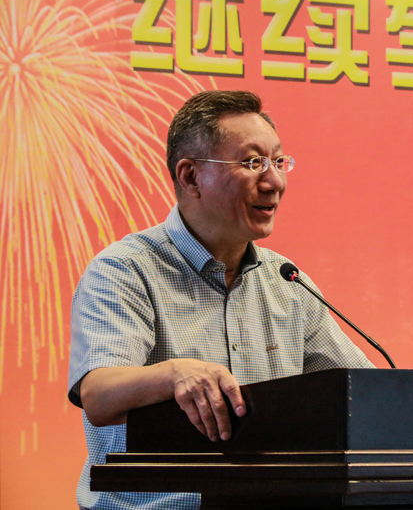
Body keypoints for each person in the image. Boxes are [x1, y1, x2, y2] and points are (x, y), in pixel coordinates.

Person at [67, 90, 374, 510]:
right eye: (253, 162)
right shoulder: (125, 270)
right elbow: (99, 395)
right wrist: (174, 374)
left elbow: (366, 395)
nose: (275, 181)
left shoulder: (287, 282)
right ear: (191, 176)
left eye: (278, 161)